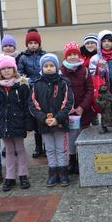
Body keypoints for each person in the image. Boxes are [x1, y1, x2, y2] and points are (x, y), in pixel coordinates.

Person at [0, 55, 34, 192]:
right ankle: (10, 177)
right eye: (4, 68)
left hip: (18, 122)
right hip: (2, 124)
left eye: (9, 68)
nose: (7, 71)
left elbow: (27, 106)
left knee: (20, 149)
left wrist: (28, 125)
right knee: (8, 150)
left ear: (14, 69)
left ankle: (23, 175)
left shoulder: (22, 86)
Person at [30, 53, 74, 187]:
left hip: (60, 122)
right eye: (46, 66)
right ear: (42, 68)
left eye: (51, 66)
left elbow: (68, 102)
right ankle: (52, 171)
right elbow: (33, 104)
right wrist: (44, 118)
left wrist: (58, 118)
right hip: (45, 123)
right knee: (49, 148)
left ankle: (63, 171)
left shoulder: (63, 83)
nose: (49, 68)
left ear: (56, 67)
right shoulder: (36, 84)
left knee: (61, 148)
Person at [60, 42, 94, 175]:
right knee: (72, 136)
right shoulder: (61, 72)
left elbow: (90, 90)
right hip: (69, 111)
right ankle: (72, 160)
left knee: (84, 134)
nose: (73, 57)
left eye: (75, 54)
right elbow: (60, 92)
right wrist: (68, 108)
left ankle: (84, 159)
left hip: (83, 110)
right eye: (70, 55)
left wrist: (81, 107)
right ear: (66, 57)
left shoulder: (84, 70)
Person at [17, 29, 46, 158]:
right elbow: (20, 73)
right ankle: (38, 146)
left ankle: (45, 146)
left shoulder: (44, 55)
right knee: (34, 118)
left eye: (35, 42)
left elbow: (48, 69)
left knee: (43, 116)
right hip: (30, 90)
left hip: (43, 90)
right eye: (31, 43)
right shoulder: (23, 57)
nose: (33, 45)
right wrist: (28, 82)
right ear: (27, 44)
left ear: (39, 44)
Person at [89, 30, 112, 122]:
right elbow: (93, 75)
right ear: (100, 43)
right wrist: (101, 68)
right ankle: (107, 128)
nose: (107, 43)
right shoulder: (95, 58)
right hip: (105, 90)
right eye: (104, 41)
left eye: (109, 41)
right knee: (106, 111)